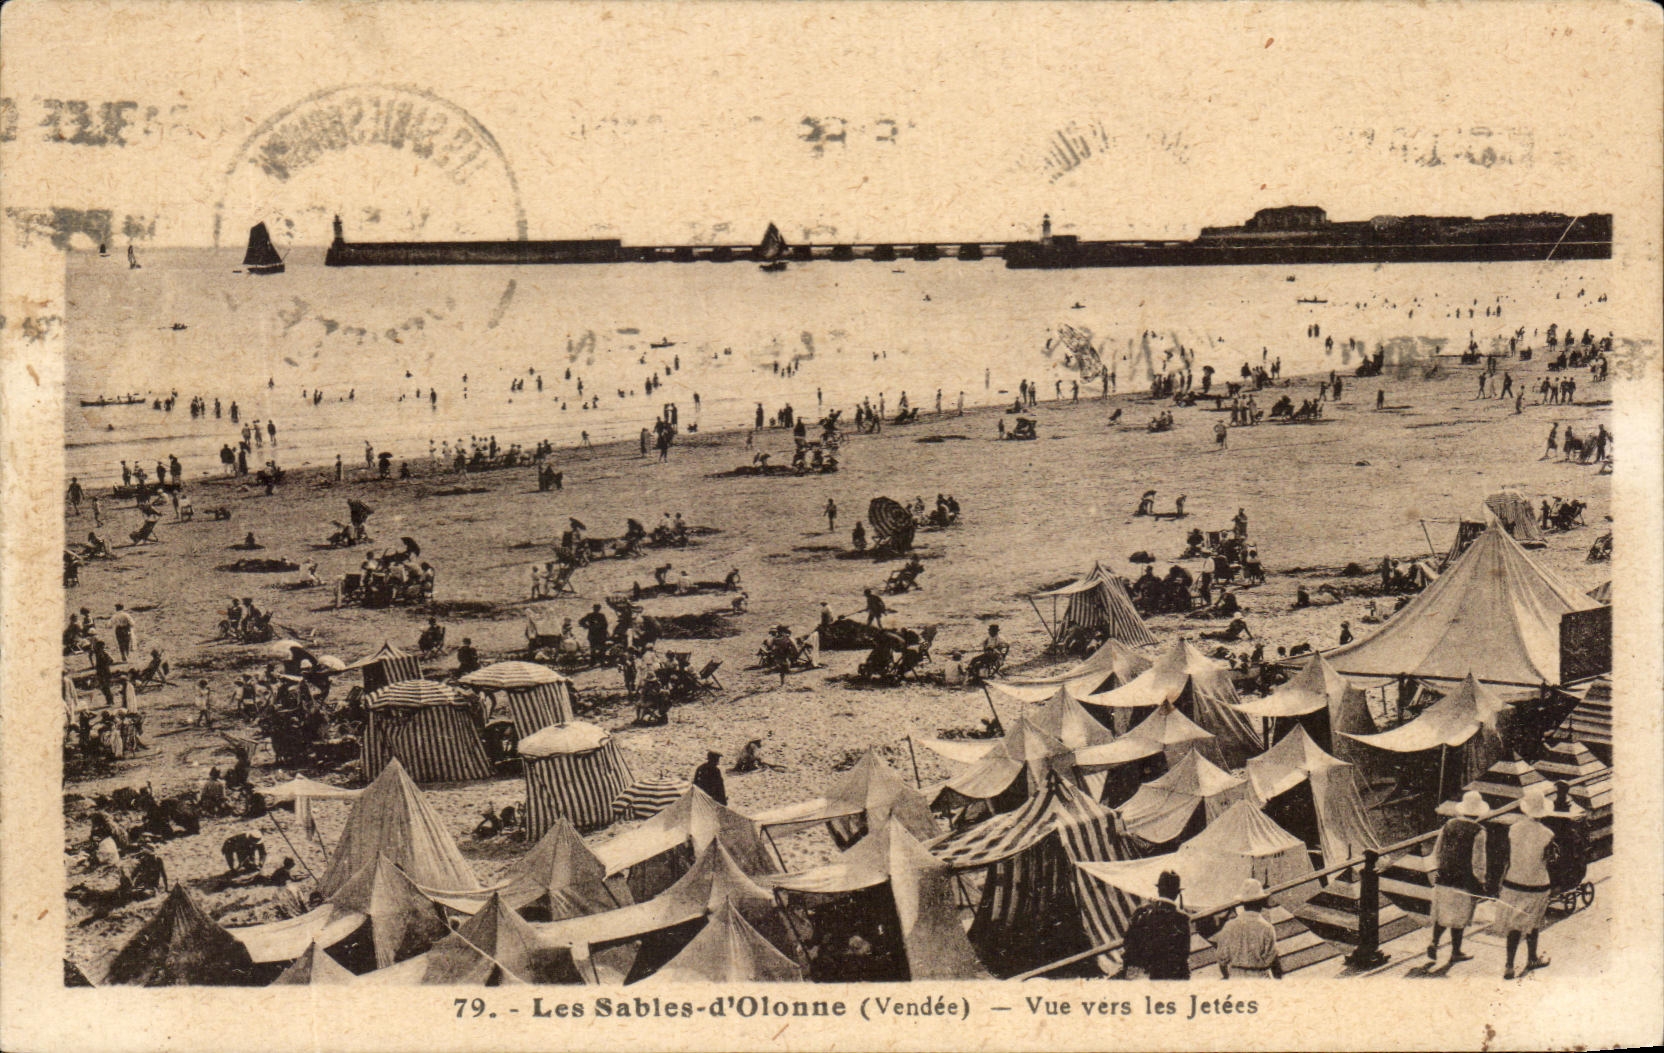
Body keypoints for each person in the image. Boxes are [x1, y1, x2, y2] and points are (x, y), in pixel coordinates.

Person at [1499, 787, 1556, 979]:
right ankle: (1532, 957)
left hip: (1513, 882)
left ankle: (1509, 965)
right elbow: (1549, 860)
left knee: (1514, 925)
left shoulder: (1513, 829)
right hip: (1537, 885)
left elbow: (1507, 857)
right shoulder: (1548, 834)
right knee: (1533, 922)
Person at [1428, 790, 1490, 966]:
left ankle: (1434, 942)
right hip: (1464, 879)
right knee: (1460, 916)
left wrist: (1440, 868)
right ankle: (1456, 951)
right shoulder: (1479, 831)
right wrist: (1481, 880)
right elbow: (1478, 859)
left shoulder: (1449, 825)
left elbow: (1437, 850)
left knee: (1443, 912)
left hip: (1444, 875)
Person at [1120, 870, 1191, 979]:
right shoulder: (1182, 918)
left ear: (1158, 890)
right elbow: (1184, 953)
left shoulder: (1141, 912)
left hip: (1145, 976)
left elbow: (1128, 943)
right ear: (1177, 894)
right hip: (1173, 977)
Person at [1215, 879, 1281, 979]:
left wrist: (1227, 976)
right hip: (1260, 977)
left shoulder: (1229, 926)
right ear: (1261, 902)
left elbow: (1222, 959)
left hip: (1236, 977)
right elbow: (1273, 960)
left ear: (1243, 903)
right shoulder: (1267, 928)